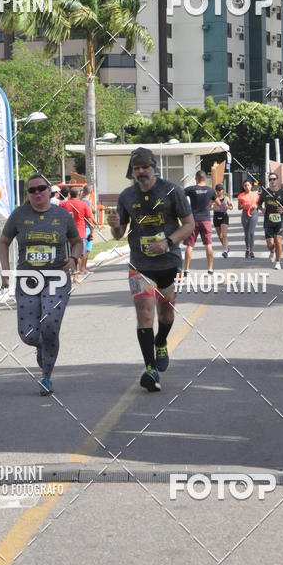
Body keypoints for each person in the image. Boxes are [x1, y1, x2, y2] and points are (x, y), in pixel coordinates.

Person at [108, 147, 195, 392]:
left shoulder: (172, 191)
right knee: (145, 313)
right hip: (140, 266)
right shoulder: (126, 196)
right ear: (132, 172)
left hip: (167, 264)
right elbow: (118, 234)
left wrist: (167, 242)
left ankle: (161, 340)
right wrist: (114, 226)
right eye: (137, 168)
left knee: (165, 314)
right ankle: (150, 369)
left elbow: (189, 225)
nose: (141, 172)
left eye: (145, 167)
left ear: (154, 168)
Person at [0, 173, 83, 396]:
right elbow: (3, 242)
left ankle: (46, 375)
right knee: (29, 334)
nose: (37, 193)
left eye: (41, 188)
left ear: (49, 191)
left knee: (50, 325)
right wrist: (6, 272)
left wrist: (74, 258)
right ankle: (40, 347)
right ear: (28, 194)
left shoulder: (62, 215)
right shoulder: (19, 215)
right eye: (32, 190)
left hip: (57, 278)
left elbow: (77, 242)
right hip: (28, 280)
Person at [183, 170, 217, 272]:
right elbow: (218, 203)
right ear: (205, 179)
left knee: (190, 245)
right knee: (208, 244)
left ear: (196, 179)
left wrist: (185, 205)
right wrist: (209, 204)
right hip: (206, 220)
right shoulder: (210, 190)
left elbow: (180, 194)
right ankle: (210, 269)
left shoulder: (191, 189)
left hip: (193, 220)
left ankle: (186, 269)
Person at [258, 171, 283, 270]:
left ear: (277, 180)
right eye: (270, 179)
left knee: (278, 241)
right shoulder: (265, 192)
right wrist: (262, 209)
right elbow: (259, 204)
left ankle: (278, 262)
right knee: (270, 244)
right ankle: (272, 251)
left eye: (274, 179)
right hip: (268, 221)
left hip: (279, 221)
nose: (272, 181)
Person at [59, 186, 94, 282]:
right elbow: (89, 221)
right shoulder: (83, 205)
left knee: (70, 254)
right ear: (79, 195)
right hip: (80, 233)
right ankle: (76, 275)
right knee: (78, 255)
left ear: (69, 194)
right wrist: (92, 232)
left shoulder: (63, 205)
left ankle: (74, 274)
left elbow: (58, 219)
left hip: (66, 233)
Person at [237, 179, 260, 258]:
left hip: (253, 213)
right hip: (245, 214)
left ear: (251, 186)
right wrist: (244, 206)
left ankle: (251, 251)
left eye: (248, 185)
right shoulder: (241, 195)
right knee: (246, 233)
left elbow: (259, 204)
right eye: (245, 185)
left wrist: (256, 206)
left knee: (251, 233)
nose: (247, 187)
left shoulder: (255, 194)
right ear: (243, 187)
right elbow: (239, 207)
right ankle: (247, 248)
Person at [212, 183, 233, 258]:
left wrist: (228, 206)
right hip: (216, 216)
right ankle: (226, 247)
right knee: (219, 235)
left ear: (222, 190)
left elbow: (231, 207)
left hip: (224, 216)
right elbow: (208, 207)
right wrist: (212, 207)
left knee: (224, 235)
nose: (218, 192)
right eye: (217, 190)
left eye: (219, 190)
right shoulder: (213, 198)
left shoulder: (226, 198)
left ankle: (225, 250)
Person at [79, 184, 95, 273]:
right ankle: (83, 268)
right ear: (91, 192)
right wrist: (93, 226)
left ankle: (82, 268)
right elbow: (90, 215)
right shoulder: (87, 202)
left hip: (81, 226)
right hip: (86, 227)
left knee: (82, 249)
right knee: (87, 249)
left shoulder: (80, 200)